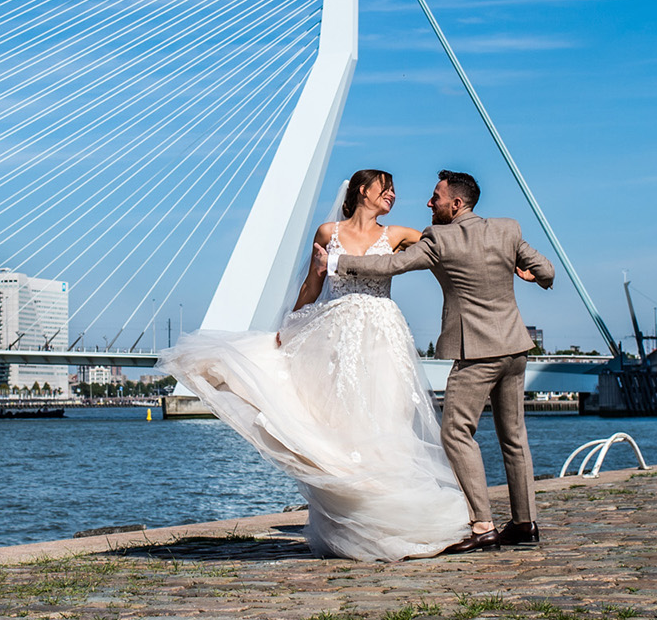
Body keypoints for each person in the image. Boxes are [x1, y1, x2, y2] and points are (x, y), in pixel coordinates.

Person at [159, 169, 470, 561]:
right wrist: (288, 325)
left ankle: (398, 520)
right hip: (334, 335)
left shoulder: (399, 236)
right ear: (363, 191)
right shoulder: (328, 233)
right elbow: (313, 283)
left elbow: (452, 245)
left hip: (382, 336)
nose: (393, 195)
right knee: (340, 424)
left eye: (394, 190)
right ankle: (352, 526)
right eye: (386, 188)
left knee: (387, 419)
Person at [315, 169, 554, 553]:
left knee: (456, 433)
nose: (430, 203)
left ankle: (482, 525)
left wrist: (339, 263)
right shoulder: (507, 229)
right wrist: (529, 274)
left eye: (436, 198)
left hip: (476, 353)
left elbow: (390, 266)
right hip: (515, 348)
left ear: (456, 204)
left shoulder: (439, 239)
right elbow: (546, 270)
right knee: (514, 438)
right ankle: (525, 524)